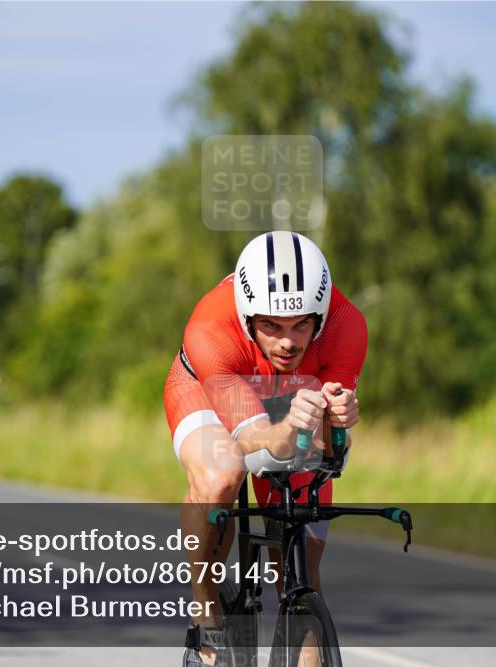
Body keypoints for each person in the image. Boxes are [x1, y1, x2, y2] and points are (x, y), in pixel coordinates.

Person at [164, 231, 367, 666]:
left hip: (290, 399)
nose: (288, 342)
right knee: (222, 475)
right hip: (207, 389)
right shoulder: (210, 328)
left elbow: (330, 444)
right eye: (271, 325)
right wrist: (292, 425)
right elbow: (253, 442)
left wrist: (340, 420)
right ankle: (206, 610)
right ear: (247, 316)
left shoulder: (347, 325)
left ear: (321, 312)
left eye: (301, 325)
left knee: (299, 565)